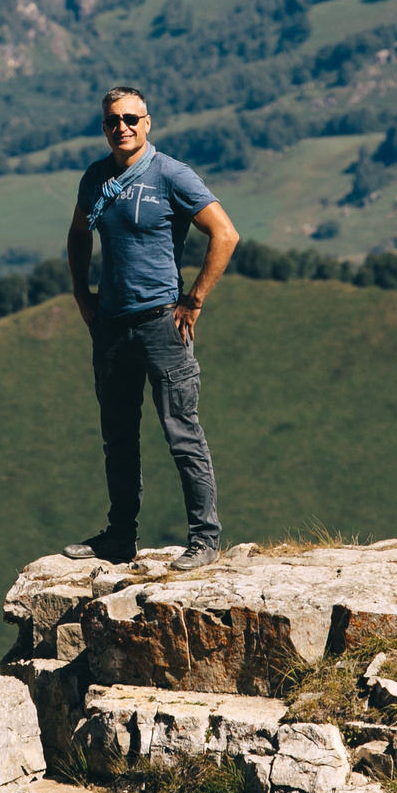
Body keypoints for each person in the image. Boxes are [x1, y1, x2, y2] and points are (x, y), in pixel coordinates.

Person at [62, 86, 240, 569]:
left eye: (130, 119)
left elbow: (225, 233)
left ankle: (205, 539)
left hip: (163, 324)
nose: (121, 127)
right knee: (117, 437)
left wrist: (194, 299)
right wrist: (82, 294)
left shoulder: (171, 175)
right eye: (111, 121)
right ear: (104, 127)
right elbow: (78, 235)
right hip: (112, 327)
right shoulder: (96, 178)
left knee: (182, 432)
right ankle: (120, 537)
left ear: (148, 122)